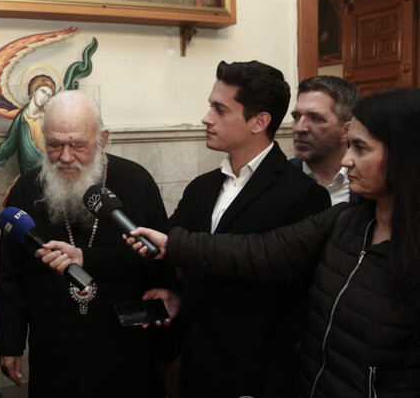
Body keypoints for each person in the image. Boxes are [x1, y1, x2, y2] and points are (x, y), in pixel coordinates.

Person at [128, 87, 420, 397]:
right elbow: (266, 251)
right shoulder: (346, 220)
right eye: (350, 146)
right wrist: (173, 244)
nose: (347, 160)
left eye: (361, 148)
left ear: (405, 154)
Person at [137, 61, 331, 397]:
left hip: (254, 375)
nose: (206, 118)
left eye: (219, 109)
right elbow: (179, 260)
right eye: (209, 105)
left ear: (260, 121)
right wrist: (179, 296)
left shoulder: (302, 195)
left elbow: (294, 309)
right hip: (197, 368)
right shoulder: (202, 188)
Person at [0, 90, 175, 397]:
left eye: (78, 145)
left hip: (123, 348)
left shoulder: (135, 181)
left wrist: (166, 351)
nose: (65, 157)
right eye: (54, 145)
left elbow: (160, 268)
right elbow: (12, 275)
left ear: (102, 138)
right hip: (54, 349)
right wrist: (10, 343)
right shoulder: (27, 188)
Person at [0, 74, 56, 186]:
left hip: (49, 177)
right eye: (43, 91)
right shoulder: (21, 120)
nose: (45, 97)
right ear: (34, 91)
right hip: (28, 179)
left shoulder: (48, 119)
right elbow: (7, 147)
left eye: (48, 95)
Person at [291, 75, 361, 204]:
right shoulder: (276, 179)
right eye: (296, 117)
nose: (299, 128)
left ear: (347, 130)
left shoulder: (370, 181)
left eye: (316, 118)